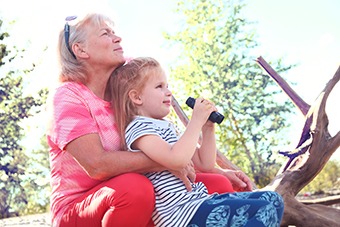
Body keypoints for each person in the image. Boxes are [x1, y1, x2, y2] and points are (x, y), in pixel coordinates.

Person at [47, 13, 253, 227]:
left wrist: (218, 170)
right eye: (105, 34)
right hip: (80, 208)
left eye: (114, 32)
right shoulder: (68, 96)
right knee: (135, 189)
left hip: (142, 190)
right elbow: (97, 165)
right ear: (80, 50)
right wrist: (170, 161)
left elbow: (163, 145)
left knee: (217, 184)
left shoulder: (127, 91)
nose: (117, 38)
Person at [106, 57, 284, 227]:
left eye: (167, 86)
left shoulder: (167, 127)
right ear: (137, 97)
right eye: (159, 87)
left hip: (199, 201)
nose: (169, 92)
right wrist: (195, 121)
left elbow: (205, 163)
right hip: (181, 215)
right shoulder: (139, 128)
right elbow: (176, 160)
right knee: (264, 208)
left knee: (272, 199)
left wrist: (207, 128)